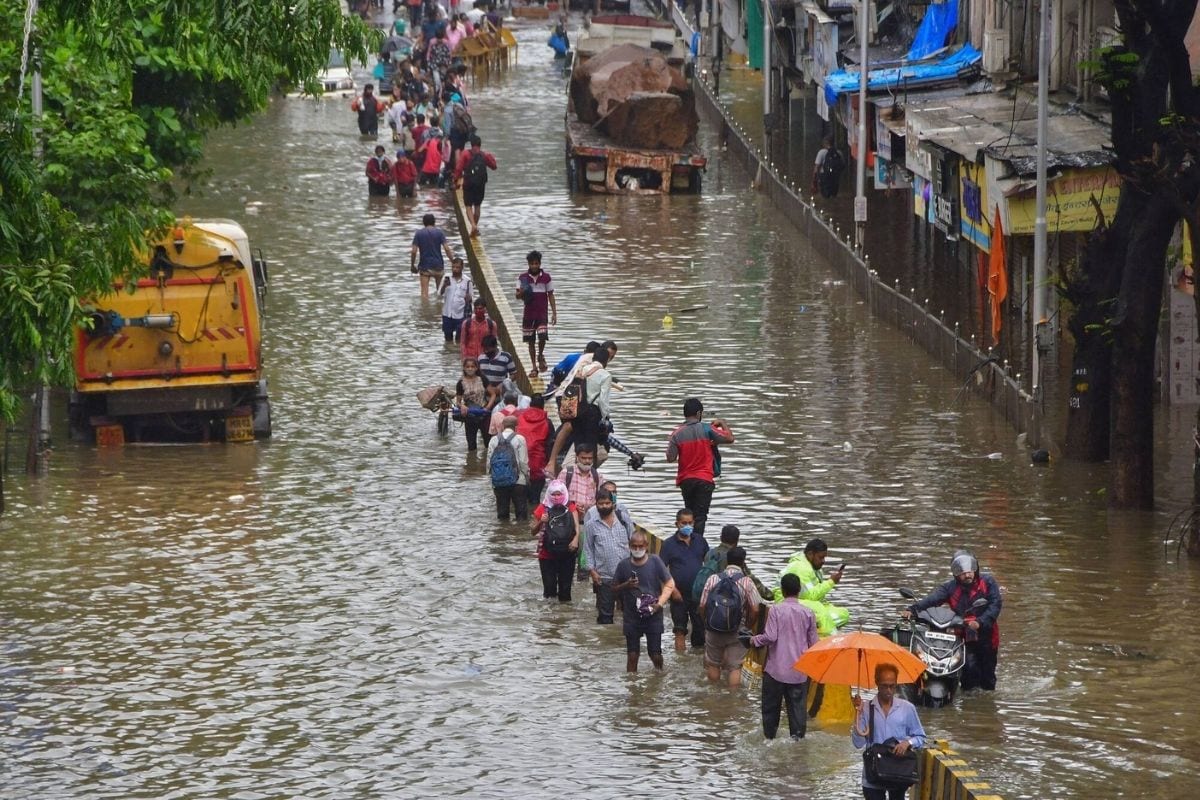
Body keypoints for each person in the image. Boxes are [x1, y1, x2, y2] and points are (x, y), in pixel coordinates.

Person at [902, 550, 1002, 691]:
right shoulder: (950, 588)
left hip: (987, 635)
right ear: (955, 573)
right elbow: (933, 599)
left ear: (975, 569)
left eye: (969, 570)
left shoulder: (988, 582)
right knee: (967, 673)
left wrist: (980, 622)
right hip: (963, 636)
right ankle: (967, 701)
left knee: (988, 676)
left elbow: (995, 605)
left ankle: (985, 704)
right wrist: (913, 609)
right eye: (961, 572)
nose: (967, 575)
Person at [750, 573, 819, 739]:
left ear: (782, 590)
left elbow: (770, 637)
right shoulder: (808, 613)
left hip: (775, 671)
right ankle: (797, 744)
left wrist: (754, 640)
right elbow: (814, 645)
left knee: (770, 712)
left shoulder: (775, 610)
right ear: (799, 591)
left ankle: (769, 739)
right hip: (799, 673)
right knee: (797, 712)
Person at [851, 663, 927, 800]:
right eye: (884, 686)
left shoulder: (907, 708)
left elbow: (921, 737)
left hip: (898, 773)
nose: (888, 690)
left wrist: (907, 743)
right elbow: (858, 743)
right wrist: (857, 713)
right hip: (873, 775)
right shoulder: (866, 709)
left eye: (892, 686)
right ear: (877, 683)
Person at [665, 398, 734, 538]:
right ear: (698, 413)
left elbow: (670, 458)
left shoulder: (676, 434)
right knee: (700, 516)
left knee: (689, 514)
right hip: (704, 479)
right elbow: (730, 438)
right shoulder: (707, 429)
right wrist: (722, 423)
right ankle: (697, 544)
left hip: (686, 481)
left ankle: (687, 541)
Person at [612, 530, 675, 672]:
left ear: (646, 545)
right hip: (631, 617)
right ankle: (632, 687)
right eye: (634, 546)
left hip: (654, 615)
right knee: (632, 655)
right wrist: (626, 585)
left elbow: (670, 583)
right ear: (629, 546)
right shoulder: (623, 565)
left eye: (640, 546)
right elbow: (613, 588)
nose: (637, 549)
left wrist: (659, 604)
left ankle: (659, 676)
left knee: (655, 654)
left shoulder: (655, 561)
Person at [698, 546, 760, 687]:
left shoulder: (713, 579)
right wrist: (747, 627)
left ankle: (714, 695)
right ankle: (732, 701)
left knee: (713, 664)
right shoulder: (747, 582)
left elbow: (702, 606)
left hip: (713, 629)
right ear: (743, 562)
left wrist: (707, 623)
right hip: (737, 630)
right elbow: (755, 609)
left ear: (726, 561)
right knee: (735, 667)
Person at [658, 508, 709, 652]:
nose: (687, 526)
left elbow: (709, 564)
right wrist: (672, 591)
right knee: (679, 630)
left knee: (700, 630)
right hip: (678, 595)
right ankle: (680, 659)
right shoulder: (668, 545)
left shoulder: (700, 541)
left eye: (690, 523)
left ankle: (696, 660)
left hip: (698, 594)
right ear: (677, 524)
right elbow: (662, 570)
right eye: (684, 523)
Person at [777, 538, 850, 635]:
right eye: (820, 557)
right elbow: (809, 596)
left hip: (803, 601)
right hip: (786, 601)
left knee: (843, 614)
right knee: (820, 612)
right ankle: (828, 639)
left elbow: (813, 594)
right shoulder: (801, 568)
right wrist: (831, 582)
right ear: (810, 554)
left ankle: (819, 629)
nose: (823, 561)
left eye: (824, 558)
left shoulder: (813, 568)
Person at [582, 487, 634, 624]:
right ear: (596, 504)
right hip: (603, 577)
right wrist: (592, 572)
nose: (604, 506)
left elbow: (635, 542)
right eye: (601, 503)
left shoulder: (624, 520)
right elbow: (587, 550)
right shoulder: (591, 525)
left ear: (613, 504)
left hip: (626, 576)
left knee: (629, 613)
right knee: (605, 616)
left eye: (607, 503)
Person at [531, 480, 580, 602]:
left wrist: (576, 540)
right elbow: (532, 531)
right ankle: (550, 617)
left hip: (567, 553)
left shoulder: (571, 506)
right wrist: (542, 521)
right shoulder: (542, 508)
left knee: (565, 591)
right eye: (553, 494)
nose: (557, 497)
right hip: (546, 555)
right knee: (549, 591)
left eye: (559, 494)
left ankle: (564, 616)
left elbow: (576, 526)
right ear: (548, 494)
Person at [514, 251, 556, 376]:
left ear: (539, 264)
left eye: (536, 264)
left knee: (542, 336)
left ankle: (541, 354)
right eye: (532, 264)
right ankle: (534, 367)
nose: (534, 266)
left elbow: (550, 295)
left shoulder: (546, 278)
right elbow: (517, 296)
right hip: (529, 314)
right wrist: (521, 293)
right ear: (528, 264)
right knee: (530, 341)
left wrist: (554, 312)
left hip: (542, 313)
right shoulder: (522, 278)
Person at [454, 135, 497, 237]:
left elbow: (458, 169)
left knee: (468, 206)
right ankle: (475, 227)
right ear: (480, 145)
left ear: (471, 144)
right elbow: (494, 166)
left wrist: (456, 181)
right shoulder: (484, 155)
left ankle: (473, 225)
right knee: (477, 206)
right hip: (480, 184)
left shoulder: (465, 154)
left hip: (468, 183)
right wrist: (490, 156)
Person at [488, 415, 529, 521]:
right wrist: (527, 477)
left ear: (502, 426)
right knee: (521, 515)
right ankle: (519, 534)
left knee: (502, 515)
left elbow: (489, 463)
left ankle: (503, 534)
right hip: (518, 481)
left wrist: (492, 478)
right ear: (516, 427)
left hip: (499, 481)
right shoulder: (520, 439)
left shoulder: (494, 440)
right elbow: (523, 462)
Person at [516, 394, 554, 507]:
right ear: (543, 406)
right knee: (535, 499)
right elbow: (550, 445)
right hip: (538, 464)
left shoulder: (519, 418)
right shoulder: (547, 422)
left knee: (520, 500)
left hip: (520, 463)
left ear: (530, 404)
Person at [410, 213, 454, 299]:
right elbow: (447, 249)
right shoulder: (439, 233)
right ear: (434, 222)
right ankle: (439, 310)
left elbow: (414, 251)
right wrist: (453, 262)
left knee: (424, 294)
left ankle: (425, 311)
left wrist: (412, 265)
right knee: (440, 293)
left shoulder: (419, 234)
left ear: (423, 222)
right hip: (438, 266)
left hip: (425, 267)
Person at [454, 356, 490, 452]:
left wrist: (487, 408)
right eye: (468, 367)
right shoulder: (460, 383)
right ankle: (471, 464)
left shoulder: (482, 379)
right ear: (464, 368)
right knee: (471, 445)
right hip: (469, 414)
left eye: (472, 366)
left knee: (488, 442)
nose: (470, 369)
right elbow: (458, 401)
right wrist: (462, 406)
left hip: (483, 413)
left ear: (476, 368)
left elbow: (493, 394)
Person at [438, 257, 473, 343]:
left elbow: (471, 298)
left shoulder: (467, 281)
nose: (455, 269)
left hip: (460, 315)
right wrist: (444, 286)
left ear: (462, 268)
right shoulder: (446, 277)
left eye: (457, 267)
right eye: (453, 267)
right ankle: (449, 353)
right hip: (447, 313)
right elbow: (439, 294)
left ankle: (456, 354)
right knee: (447, 338)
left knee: (459, 339)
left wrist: (468, 298)